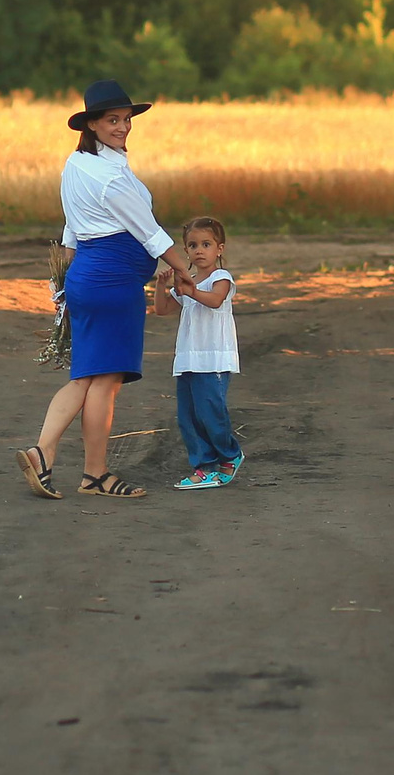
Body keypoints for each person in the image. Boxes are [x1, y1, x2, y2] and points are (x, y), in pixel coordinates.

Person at [16, 80, 179, 500]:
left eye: (126, 120)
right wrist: (190, 274)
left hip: (87, 278)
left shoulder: (76, 166)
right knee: (104, 383)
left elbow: (71, 229)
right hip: (112, 286)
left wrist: (64, 287)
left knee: (86, 378)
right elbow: (152, 236)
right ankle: (95, 475)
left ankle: (43, 452)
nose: (123, 127)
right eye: (112, 120)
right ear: (91, 124)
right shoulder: (109, 178)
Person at [164, 216, 242, 489]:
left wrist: (190, 290)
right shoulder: (189, 281)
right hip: (188, 358)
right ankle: (203, 467)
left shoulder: (221, 278)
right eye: (193, 245)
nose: (199, 250)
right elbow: (162, 310)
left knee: (210, 410)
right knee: (188, 415)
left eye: (206, 244)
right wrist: (162, 289)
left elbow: (214, 300)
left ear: (219, 248)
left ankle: (230, 454)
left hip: (213, 358)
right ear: (185, 250)